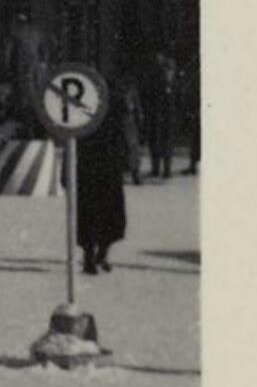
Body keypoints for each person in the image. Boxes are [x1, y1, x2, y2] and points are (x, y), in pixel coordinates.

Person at [76, 85, 132, 276]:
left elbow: (124, 131)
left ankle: (98, 254)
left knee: (101, 213)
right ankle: (93, 256)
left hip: (102, 164)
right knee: (99, 212)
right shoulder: (109, 97)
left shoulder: (100, 98)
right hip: (96, 164)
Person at [138, 45, 182, 181]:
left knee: (166, 141)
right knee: (155, 141)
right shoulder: (155, 76)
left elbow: (179, 97)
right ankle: (156, 169)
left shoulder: (176, 80)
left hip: (169, 114)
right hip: (156, 113)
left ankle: (166, 170)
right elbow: (149, 93)